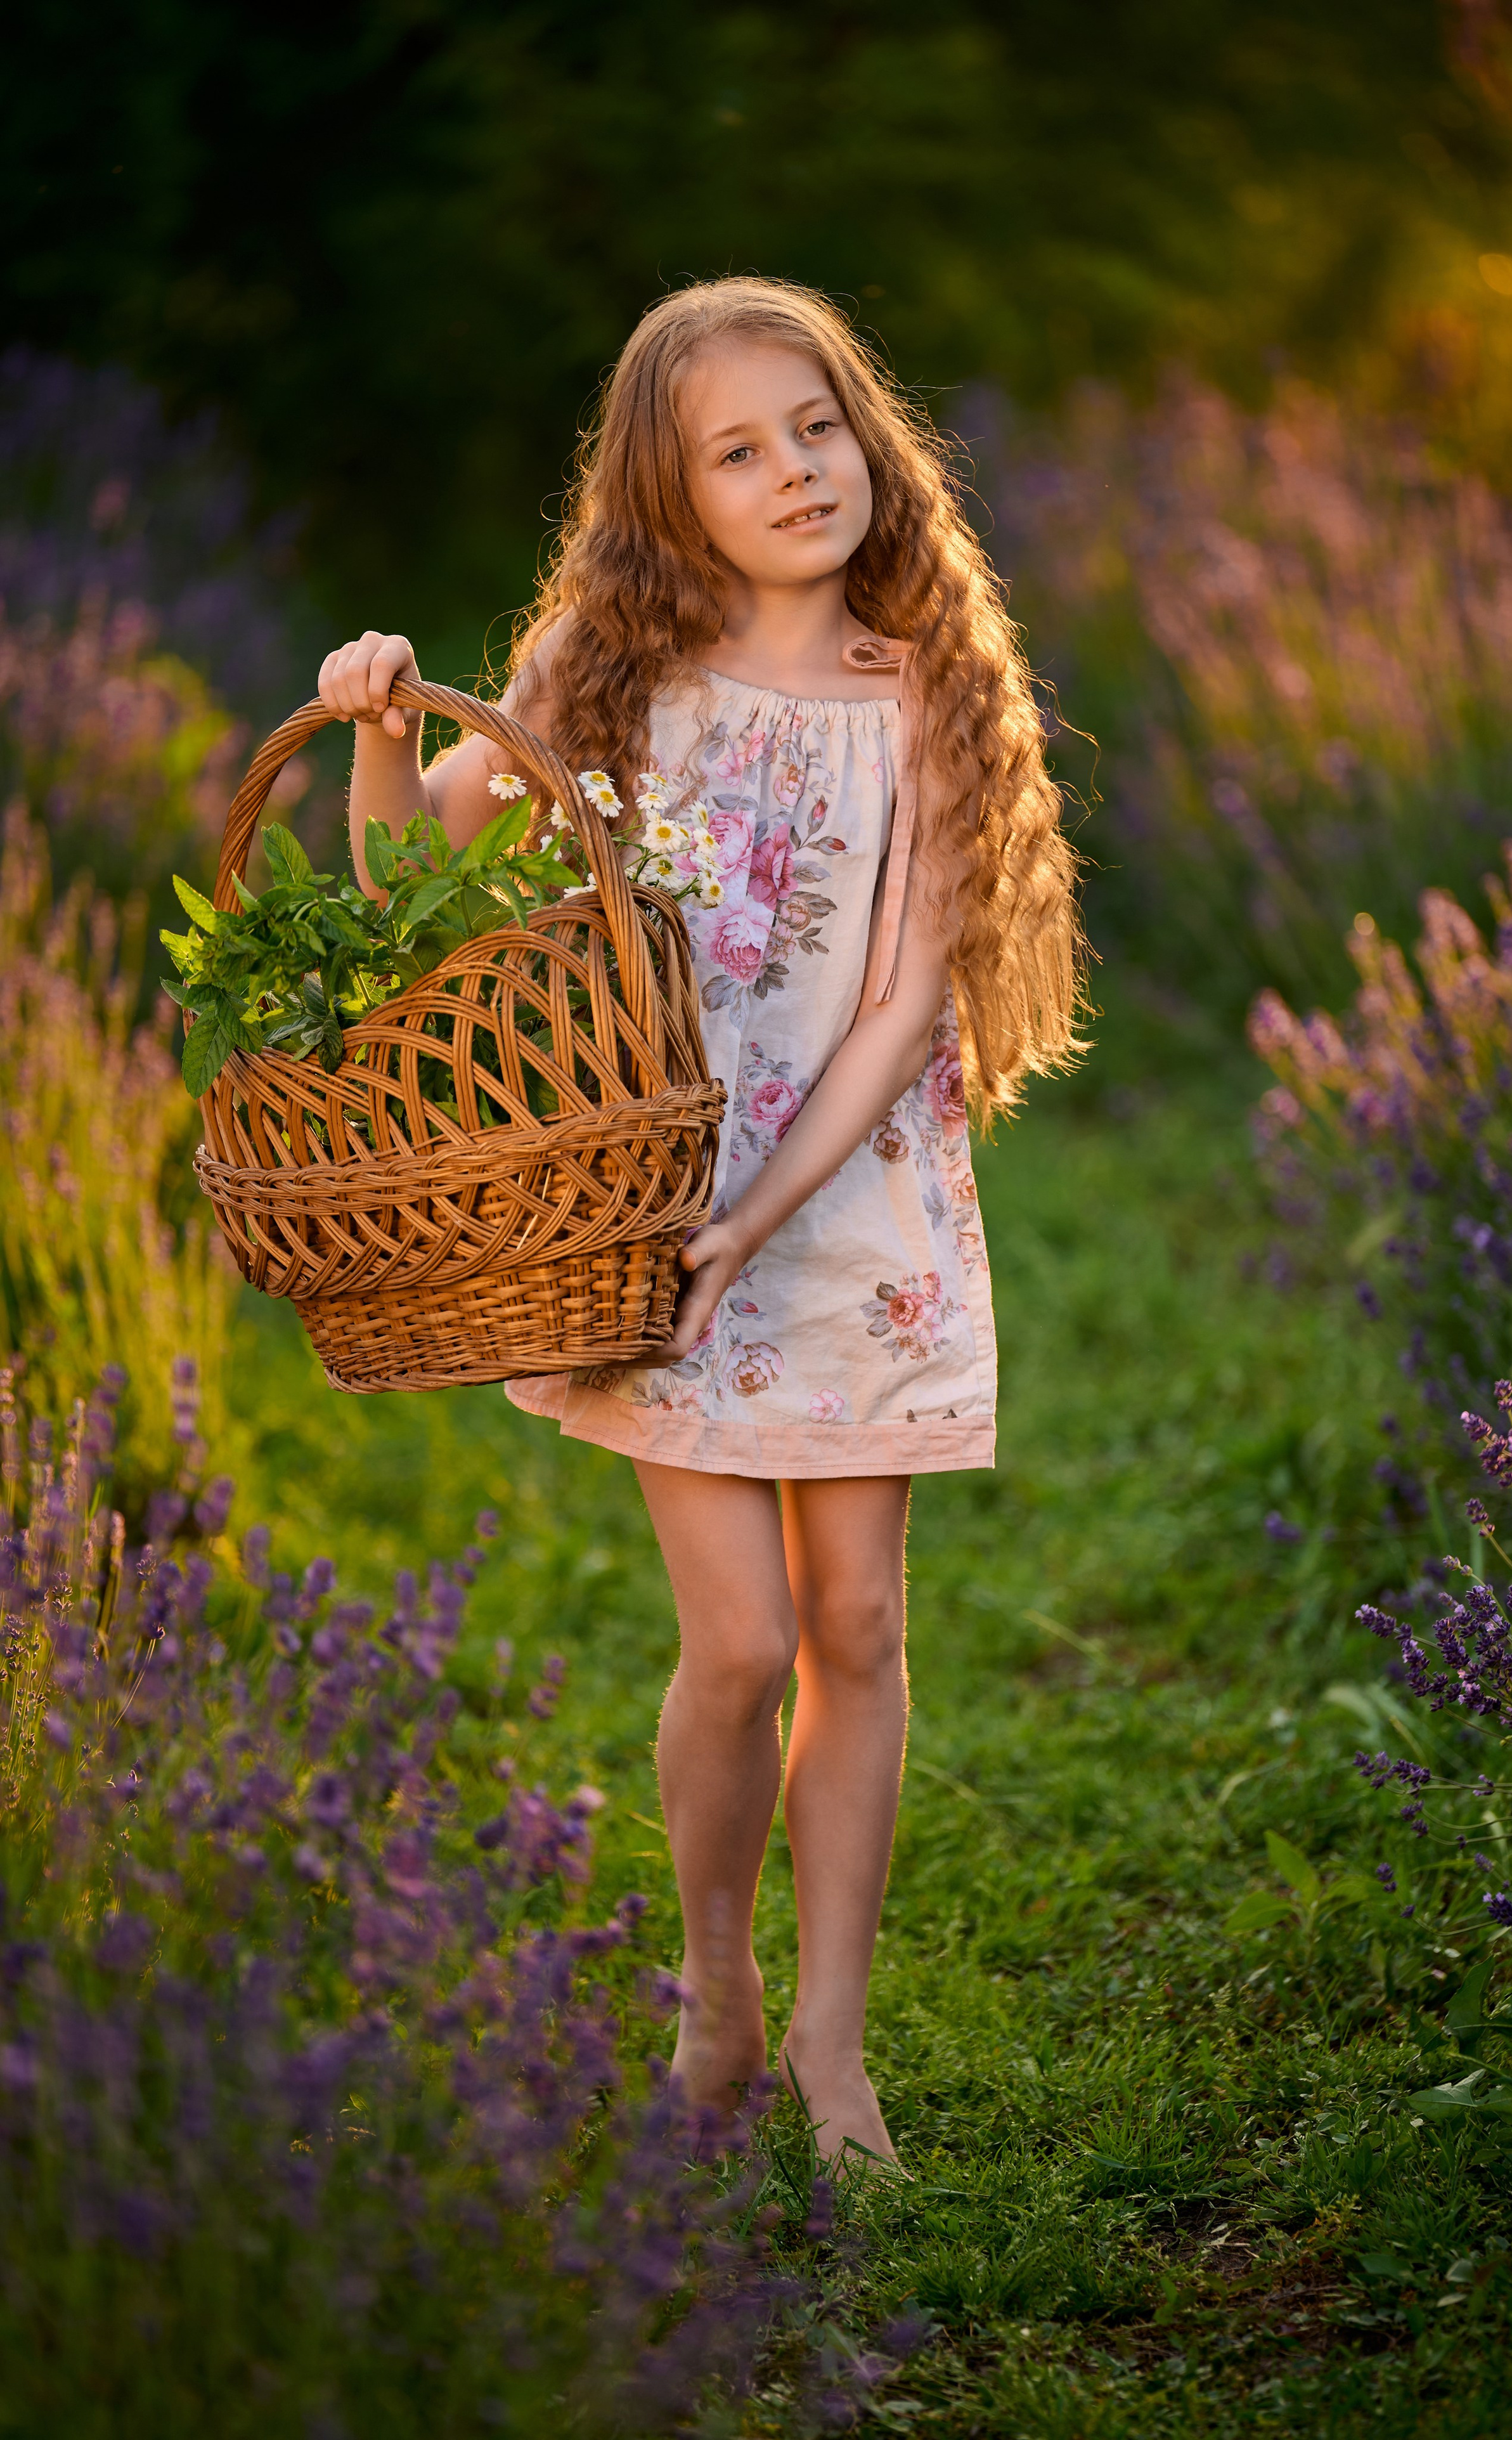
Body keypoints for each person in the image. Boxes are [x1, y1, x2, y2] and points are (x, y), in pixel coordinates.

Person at [318, 276, 1084, 2168]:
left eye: (816, 426)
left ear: (868, 437)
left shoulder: (918, 684)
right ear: (672, 495)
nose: (795, 471)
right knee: (738, 1646)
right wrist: (368, 731)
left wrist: (764, 1221)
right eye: (738, 450)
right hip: (648, 1210)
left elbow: (909, 999)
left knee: (857, 1623)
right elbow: (421, 871)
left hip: (845, 1204)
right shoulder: (611, 660)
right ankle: (715, 1988)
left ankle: (830, 2049)